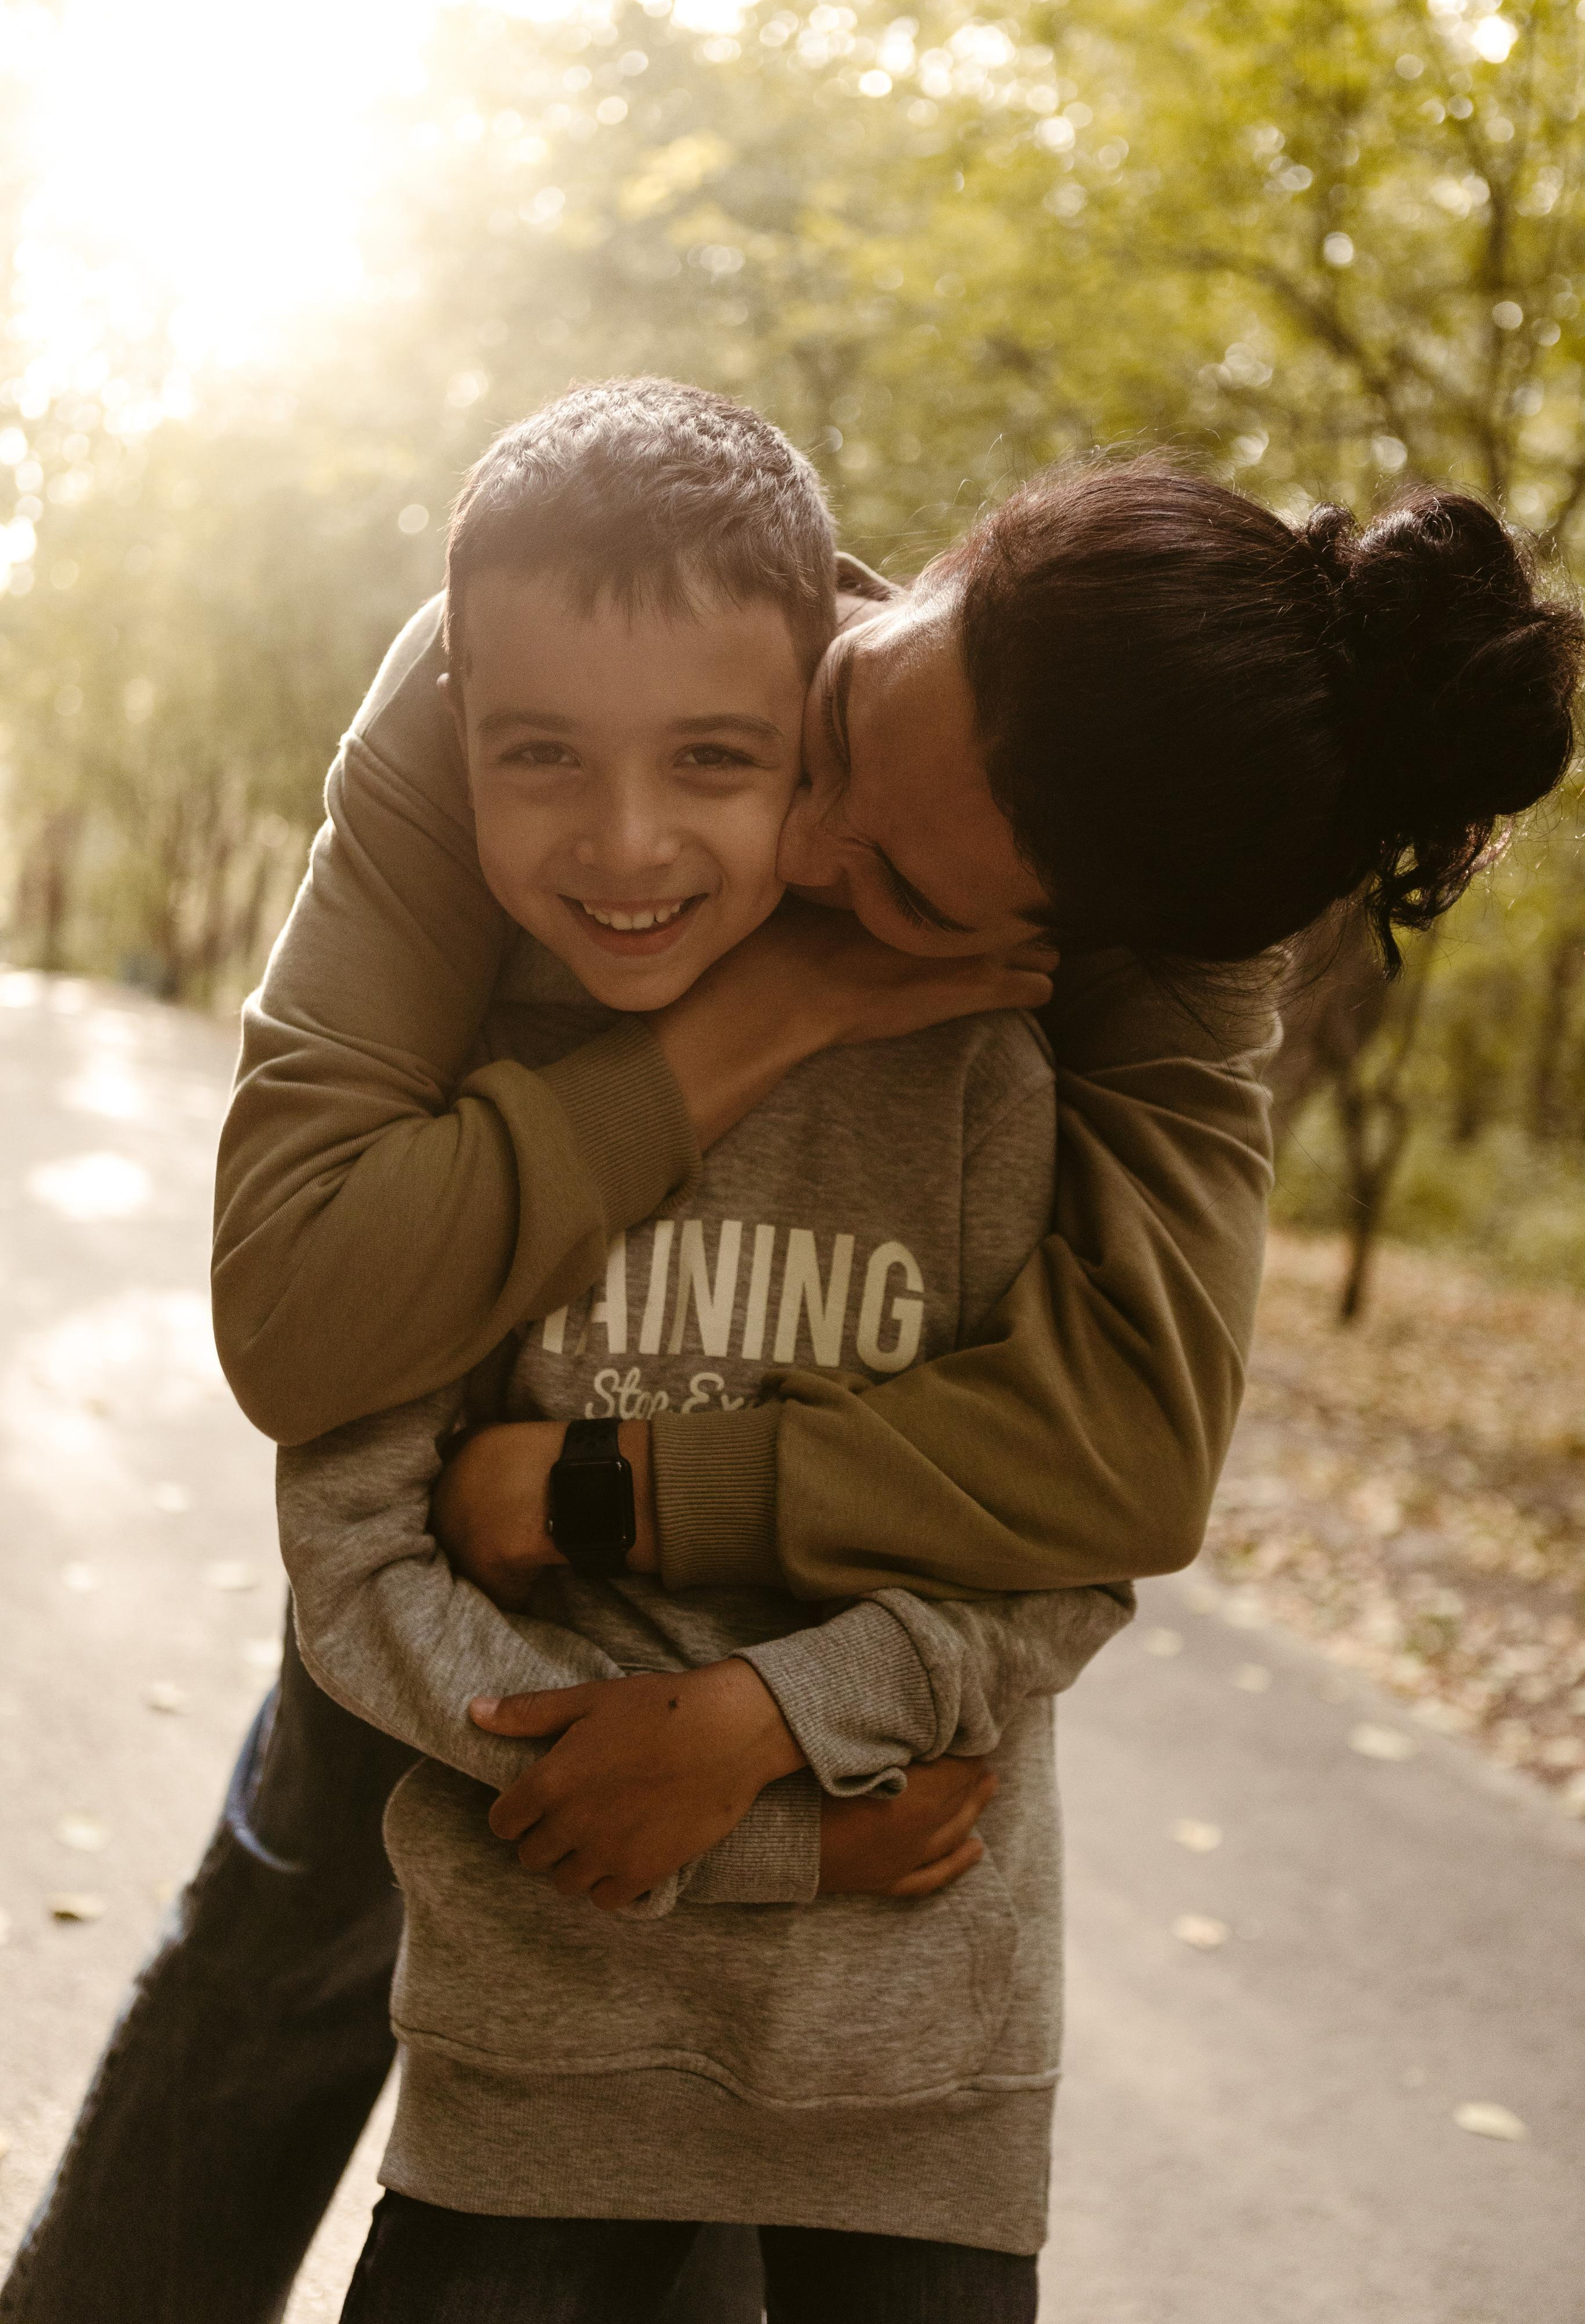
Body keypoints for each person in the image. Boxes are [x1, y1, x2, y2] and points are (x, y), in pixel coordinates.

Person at [5, 383, 1573, 2322]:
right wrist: (772, 1009)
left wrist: (655, 1546)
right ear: (943, 581)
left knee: (707, 2175)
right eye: (841, 726)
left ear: (1097, 945)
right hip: (451, 1558)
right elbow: (303, 1304)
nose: (794, 840)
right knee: (273, 1976)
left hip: (808, 1644)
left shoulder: (1183, 915)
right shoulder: (526, 683)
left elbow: (1137, 1445)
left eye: (907, 888)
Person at [277, 391, 1136, 2317]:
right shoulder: (467, 1106)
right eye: (542, 758)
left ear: (821, 738)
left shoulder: (978, 1080)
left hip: (912, 2080)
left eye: (716, 758)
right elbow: (354, 1564)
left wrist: (782, 1730)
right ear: (459, 743)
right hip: (536, 2054)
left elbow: (1067, 1538)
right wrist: (781, 1839)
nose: (628, 839)